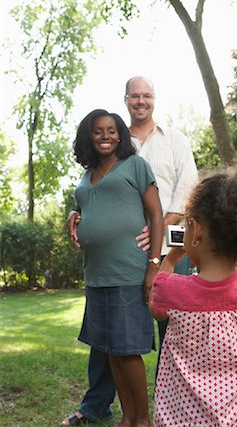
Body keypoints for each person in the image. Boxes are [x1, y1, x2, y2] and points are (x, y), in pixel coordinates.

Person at [64, 76, 198, 425]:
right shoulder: (106, 154)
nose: (141, 101)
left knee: (170, 337)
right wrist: (79, 215)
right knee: (109, 343)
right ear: (126, 100)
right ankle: (101, 406)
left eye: (147, 95)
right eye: (135, 96)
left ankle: (172, 408)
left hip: (168, 249)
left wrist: (158, 240)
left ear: (154, 99)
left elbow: (187, 196)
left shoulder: (175, 142)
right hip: (106, 266)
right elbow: (100, 197)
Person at [149, 164, 237, 426]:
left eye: (187, 225)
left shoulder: (172, 290)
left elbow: (155, 304)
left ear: (196, 230)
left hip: (186, 418)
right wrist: (231, 253)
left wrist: (170, 259)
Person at [62, 109, 163, 427]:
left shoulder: (135, 165)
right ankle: (128, 417)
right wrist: (73, 214)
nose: (105, 135)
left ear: (120, 135)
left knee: (127, 350)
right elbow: (89, 205)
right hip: (96, 274)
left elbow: (156, 216)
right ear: (88, 137)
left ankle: (142, 420)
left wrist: (154, 265)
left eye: (111, 130)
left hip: (128, 272)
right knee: (111, 351)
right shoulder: (86, 173)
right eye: (97, 130)